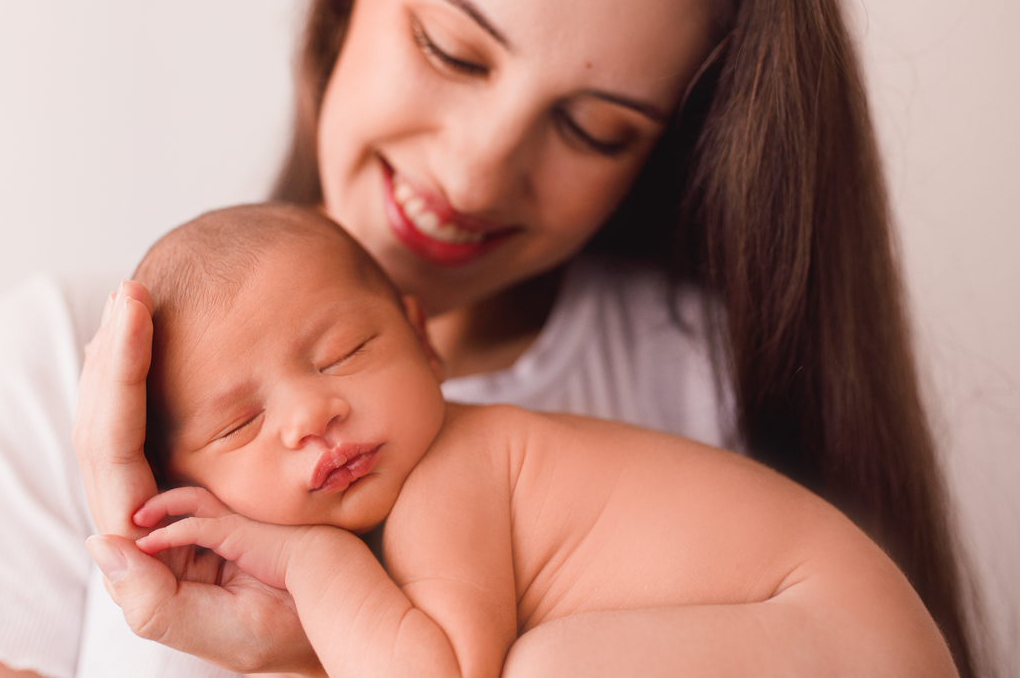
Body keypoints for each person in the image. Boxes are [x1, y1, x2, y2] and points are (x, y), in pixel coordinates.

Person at [0, 0, 983, 676]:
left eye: (592, 126)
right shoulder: (60, 364)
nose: (477, 168)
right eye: (450, 47)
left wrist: (297, 584)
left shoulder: (678, 380)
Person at [88, 202, 955, 678]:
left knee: (544, 671)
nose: (312, 415)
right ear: (183, 487)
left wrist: (313, 567)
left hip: (839, 639)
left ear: (425, 341)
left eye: (344, 353)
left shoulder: (454, 470)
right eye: (240, 424)